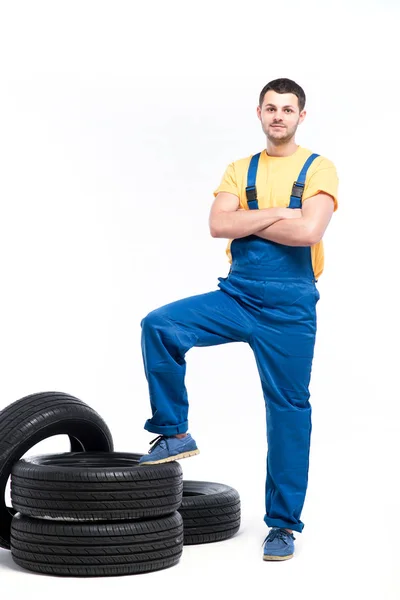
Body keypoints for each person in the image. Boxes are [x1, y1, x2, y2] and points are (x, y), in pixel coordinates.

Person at [138, 78, 339, 561]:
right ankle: (174, 431)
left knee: (289, 412)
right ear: (259, 113)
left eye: (287, 110)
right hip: (238, 294)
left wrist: (251, 216)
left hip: (290, 309)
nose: (278, 116)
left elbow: (310, 230)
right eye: (270, 108)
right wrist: (278, 212)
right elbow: (217, 225)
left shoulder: (319, 168)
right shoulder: (238, 168)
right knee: (160, 324)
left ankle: (283, 527)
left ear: (301, 116)